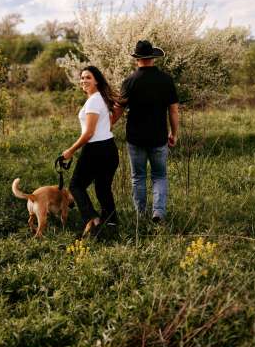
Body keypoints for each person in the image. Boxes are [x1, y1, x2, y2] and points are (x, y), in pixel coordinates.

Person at [112, 40, 179, 223]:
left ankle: (140, 215)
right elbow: (173, 110)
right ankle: (158, 212)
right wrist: (174, 134)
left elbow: (118, 110)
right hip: (158, 137)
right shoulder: (166, 80)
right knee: (159, 176)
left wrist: (105, 126)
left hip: (135, 138)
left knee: (138, 177)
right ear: (153, 58)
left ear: (137, 60)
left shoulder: (130, 81)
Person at [62, 66, 119, 235]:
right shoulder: (101, 98)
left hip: (96, 148)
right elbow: (108, 121)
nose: (84, 81)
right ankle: (111, 223)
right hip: (109, 147)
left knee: (76, 185)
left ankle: (92, 219)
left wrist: (71, 150)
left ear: (96, 81)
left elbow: (89, 132)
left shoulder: (94, 100)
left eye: (88, 77)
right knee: (102, 188)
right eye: (82, 78)